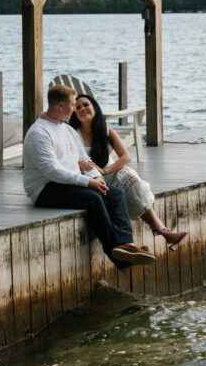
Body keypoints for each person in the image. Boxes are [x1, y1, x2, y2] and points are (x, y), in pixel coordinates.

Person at [23, 84, 156, 267]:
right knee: (93, 198)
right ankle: (116, 254)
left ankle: (127, 244)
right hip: (45, 188)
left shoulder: (68, 130)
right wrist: (88, 183)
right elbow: (51, 170)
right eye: (73, 105)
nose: (75, 110)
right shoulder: (39, 132)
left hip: (69, 182)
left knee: (114, 194)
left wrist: (96, 177)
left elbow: (85, 159)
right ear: (61, 106)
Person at [69, 92, 187, 251]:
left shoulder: (106, 130)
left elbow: (125, 157)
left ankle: (162, 231)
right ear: (74, 112)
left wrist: (106, 170)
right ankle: (163, 232)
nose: (82, 109)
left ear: (95, 108)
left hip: (109, 171)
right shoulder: (72, 134)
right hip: (89, 177)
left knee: (129, 176)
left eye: (86, 105)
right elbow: (69, 161)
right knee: (128, 182)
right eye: (77, 107)